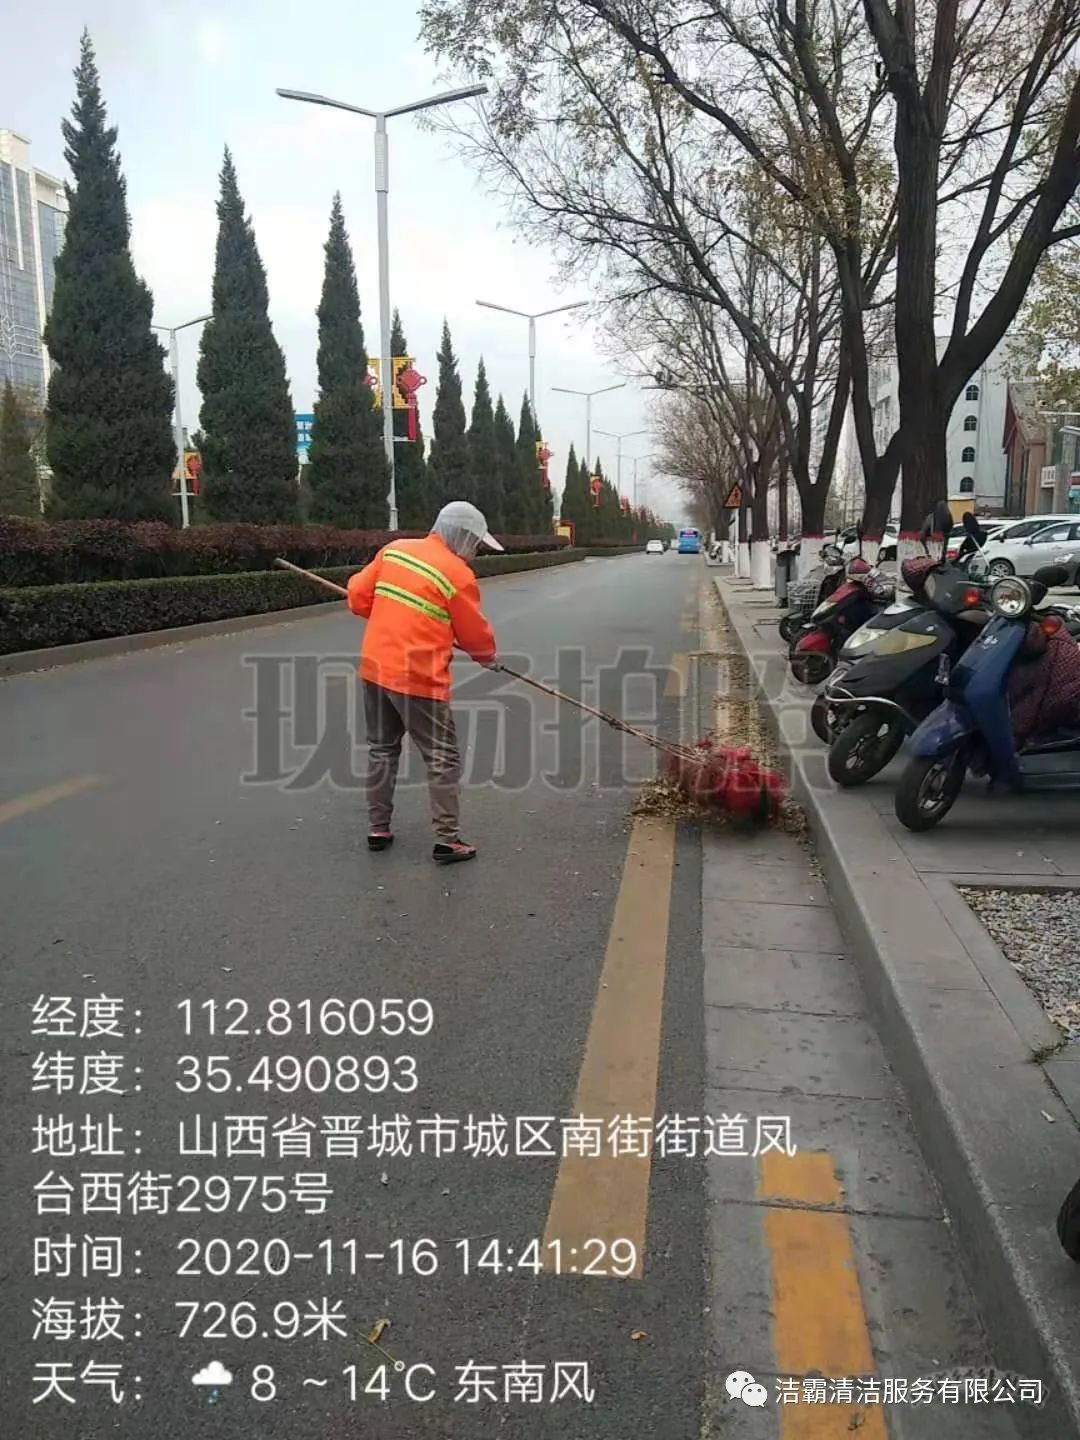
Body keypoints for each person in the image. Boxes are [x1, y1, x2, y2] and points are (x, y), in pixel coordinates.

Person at [346, 501, 501, 865]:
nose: (475, 551)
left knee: (382, 749)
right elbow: (473, 633)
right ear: (461, 537)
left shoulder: (394, 550)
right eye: (475, 544)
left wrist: (392, 613)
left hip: (376, 669)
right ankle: (447, 839)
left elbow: (357, 597)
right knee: (442, 756)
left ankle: (378, 828)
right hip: (418, 677)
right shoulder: (457, 574)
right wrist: (487, 656)